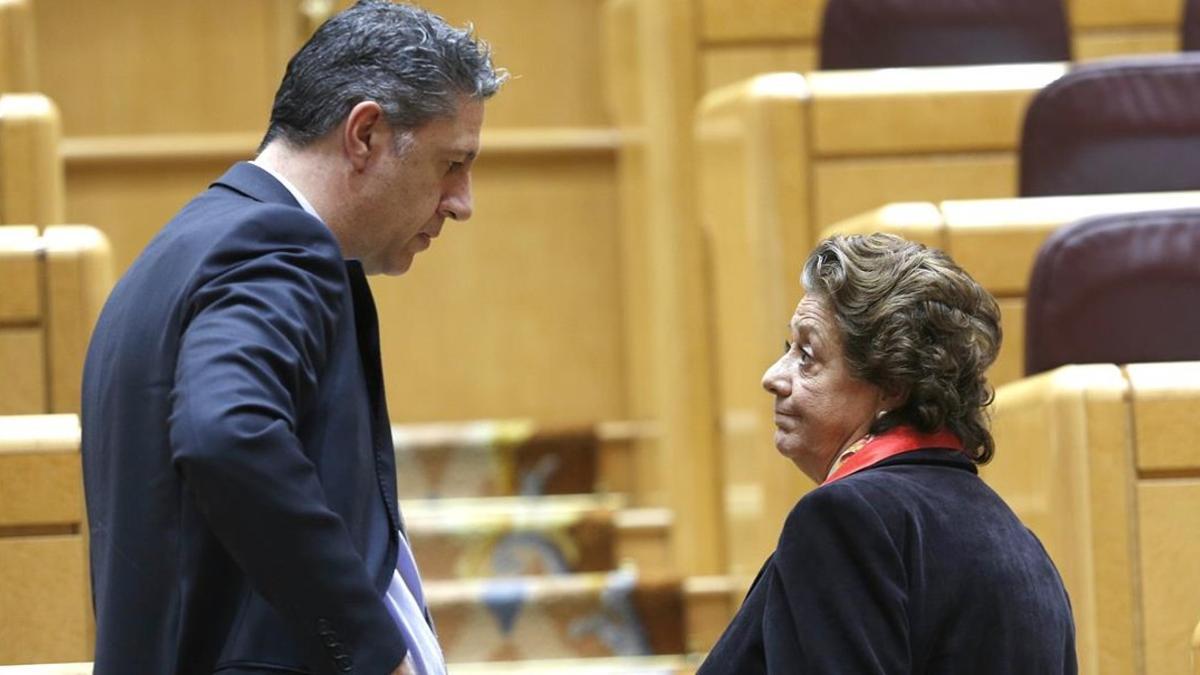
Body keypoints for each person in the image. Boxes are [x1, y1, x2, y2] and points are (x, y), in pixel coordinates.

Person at [80, 2, 505, 674]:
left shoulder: (180, 251)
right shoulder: (274, 243)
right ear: (364, 133)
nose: (462, 201)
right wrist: (369, 650)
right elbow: (227, 434)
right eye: (452, 163)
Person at [698, 234, 1077, 674]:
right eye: (787, 350)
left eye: (807, 354)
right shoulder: (1021, 545)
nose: (772, 377)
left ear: (893, 385)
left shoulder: (845, 522)